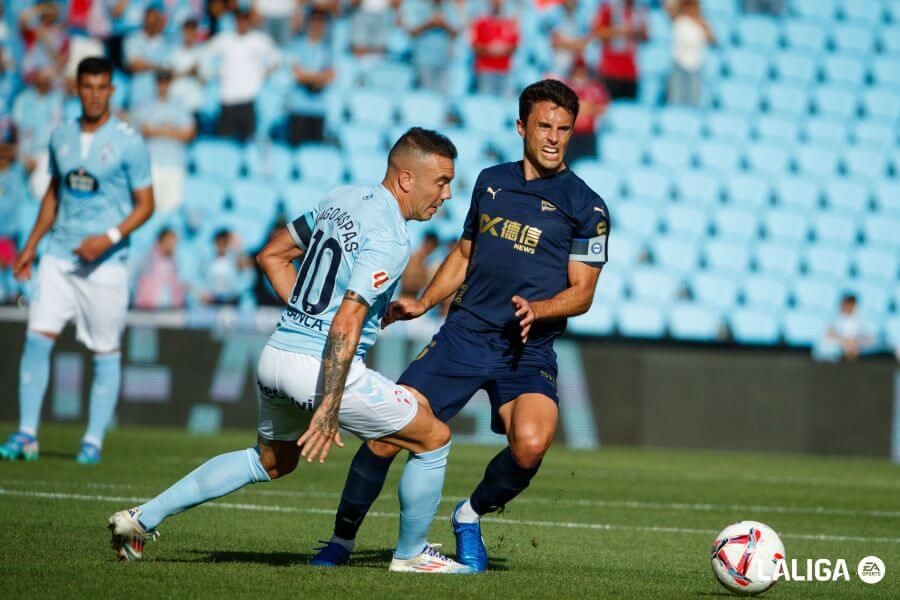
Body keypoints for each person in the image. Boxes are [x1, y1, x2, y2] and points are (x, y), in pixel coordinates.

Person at [107, 128, 476, 574]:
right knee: (433, 438)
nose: (448, 194)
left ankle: (140, 518)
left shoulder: (341, 198)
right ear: (405, 179)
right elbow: (344, 320)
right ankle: (412, 554)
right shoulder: (393, 237)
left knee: (271, 460)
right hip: (317, 368)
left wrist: (306, 321)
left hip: (277, 353)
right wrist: (329, 403)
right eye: (440, 181)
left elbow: (271, 256)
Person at [309, 80, 610, 571]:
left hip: (527, 350)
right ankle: (340, 542)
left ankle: (468, 516)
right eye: (544, 126)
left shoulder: (587, 207)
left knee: (531, 445)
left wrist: (542, 309)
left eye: (564, 128)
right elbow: (466, 252)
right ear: (522, 128)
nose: (554, 137)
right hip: (464, 335)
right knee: (386, 435)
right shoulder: (491, 182)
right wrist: (426, 300)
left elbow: (584, 292)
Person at [0, 56, 155, 464]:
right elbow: (55, 193)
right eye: (87, 86)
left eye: (102, 87)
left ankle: (92, 441)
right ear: (77, 89)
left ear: (112, 91)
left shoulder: (128, 140)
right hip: (59, 255)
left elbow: (147, 205)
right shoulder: (61, 135)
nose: (95, 94)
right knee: (37, 339)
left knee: (105, 351)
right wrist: (32, 243)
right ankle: (27, 433)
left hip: (106, 263)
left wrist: (108, 238)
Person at [206, 5, 280, 142]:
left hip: (248, 100)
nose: (242, 23)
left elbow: (276, 60)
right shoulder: (224, 39)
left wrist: (262, 74)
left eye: (245, 19)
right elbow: (206, 54)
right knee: (225, 145)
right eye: (239, 19)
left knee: (248, 144)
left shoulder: (260, 40)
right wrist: (214, 73)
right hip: (227, 99)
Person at [131, 69, 195, 214]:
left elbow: (189, 133)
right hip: (151, 163)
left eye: (166, 82)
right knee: (149, 209)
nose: (163, 85)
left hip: (175, 163)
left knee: (171, 209)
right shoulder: (145, 106)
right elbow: (142, 130)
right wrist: (171, 130)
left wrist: (158, 130)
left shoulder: (180, 106)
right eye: (160, 81)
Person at [286, 8, 334, 146]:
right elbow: (297, 75)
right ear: (308, 24)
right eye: (314, 22)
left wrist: (309, 76)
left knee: (314, 155)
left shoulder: (328, 49)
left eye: (321, 22)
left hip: (318, 109)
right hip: (299, 107)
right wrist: (320, 77)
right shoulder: (296, 46)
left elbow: (331, 75)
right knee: (295, 151)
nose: (317, 26)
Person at [402, 0, 461, 94]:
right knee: (426, 95)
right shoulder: (415, 4)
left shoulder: (449, 5)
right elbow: (411, 31)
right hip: (423, 59)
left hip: (444, 59)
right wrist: (429, 23)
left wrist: (444, 24)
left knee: (444, 95)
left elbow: (456, 33)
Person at [593, 0, 648, 100]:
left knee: (630, 111)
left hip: (631, 72)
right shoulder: (609, 8)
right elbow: (598, 34)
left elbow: (646, 37)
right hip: (610, 71)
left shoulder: (640, 10)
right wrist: (619, 31)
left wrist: (637, 32)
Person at [666, 0, 714, 107]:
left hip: (696, 67)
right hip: (678, 66)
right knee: (675, 102)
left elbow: (713, 40)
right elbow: (668, 5)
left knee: (693, 104)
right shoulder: (678, 20)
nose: (690, 8)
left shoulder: (702, 24)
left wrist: (699, 22)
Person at [123, 5, 170, 108]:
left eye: (155, 20)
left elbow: (169, 69)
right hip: (138, 95)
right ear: (144, 19)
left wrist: (146, 64)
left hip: (161, 100)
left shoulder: (167, 42)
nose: (152, 23)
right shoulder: (132, 39)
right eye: (150, 20)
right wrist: (158, 66)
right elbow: (134, 65)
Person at [471, 0, 520, 97]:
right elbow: (475, 45)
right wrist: (490, 49)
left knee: (505, 103)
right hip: (486, 71)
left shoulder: (509, 23)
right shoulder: (481, 22)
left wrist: (502, 49)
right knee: (486, 101)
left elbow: (515, 45)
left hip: (505, 71)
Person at [812, 294, 878, 363]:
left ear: (854, 305)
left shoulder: (863, 319)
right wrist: (844, 340)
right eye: (845, 304)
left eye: (849, 305)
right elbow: (828, 333)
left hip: (857, 342)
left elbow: (870, 337)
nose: (846, 307)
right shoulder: (834, 317)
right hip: (840, 342)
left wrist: (855, 341)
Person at [566, 58, 608, 163]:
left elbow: (603, 109)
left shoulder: (595, 88)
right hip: (570, 136)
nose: (580, 74)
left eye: (582, 71)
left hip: (588, 134)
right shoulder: (565, 88)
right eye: (577, 71)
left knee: (589, 167)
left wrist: (583, 109)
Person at [198, 228, 255, 305]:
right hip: (211, 302)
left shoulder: (238, 259)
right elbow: (200, 278)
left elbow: (249, 278)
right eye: (218, 243)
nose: (221, 246)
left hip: (232, 302)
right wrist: (204, 292)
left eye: (224, 243)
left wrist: (236, 292)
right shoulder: (206, 261)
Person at [134, 227, 186, 310]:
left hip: (170, 306)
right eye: (170, 241)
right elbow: (141, 281)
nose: (173, 245)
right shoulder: (149, 257)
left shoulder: (174, 261)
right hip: (149, 307)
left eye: (174, 242)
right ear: (161, 241)